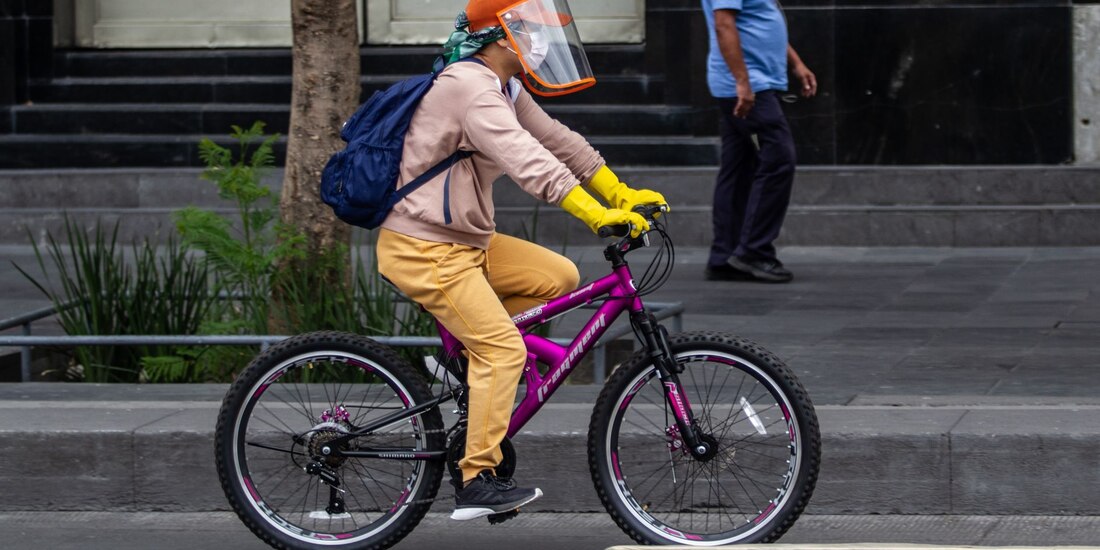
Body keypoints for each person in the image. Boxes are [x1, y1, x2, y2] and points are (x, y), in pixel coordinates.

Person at [374, 0, 668, 521]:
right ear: (499, 35)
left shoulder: (505, 87)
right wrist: (595, 214)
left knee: (558, 277)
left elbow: (559, 143)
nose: (540, 43)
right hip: (424, 247)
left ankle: (472, 360)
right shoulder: (470, 87)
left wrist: (619, 193)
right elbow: (528, 161)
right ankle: (475, 479)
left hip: (466, 241)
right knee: (504, 351)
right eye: (531, 30)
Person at [701, 0, 817, 283]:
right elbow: (724, 24)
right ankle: (754, 252)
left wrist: (796, 63)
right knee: (779, 160)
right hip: (749, 86)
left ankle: (725, 257)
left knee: (738, 167)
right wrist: (743, 82)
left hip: (750, 82)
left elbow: (759, 19)